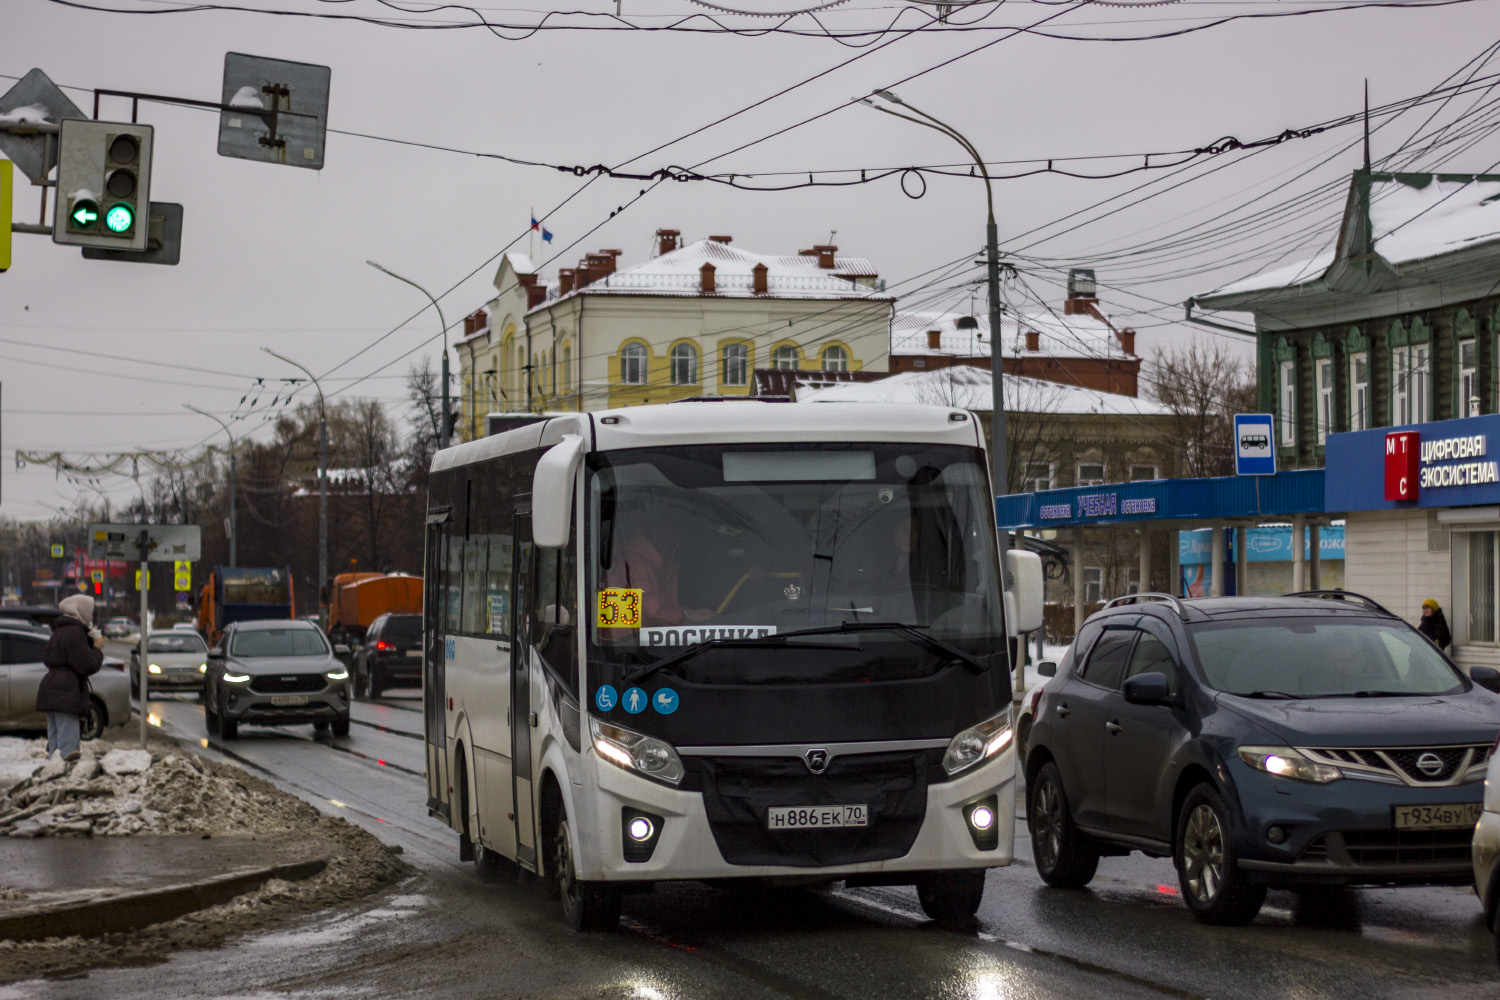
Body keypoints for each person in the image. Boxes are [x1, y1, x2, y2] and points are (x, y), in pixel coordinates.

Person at [38, 594, 104, 761]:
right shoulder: (74, 633)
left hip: (52, 690)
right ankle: (64, 781)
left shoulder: (60, 631)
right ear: (82, 612)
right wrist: (97, 648)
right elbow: (87, 664)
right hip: (66, 694)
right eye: (90, 613)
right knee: (68, 749)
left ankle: (53, 779)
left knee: (55, 747)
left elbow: (49, 658)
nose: (92, 617)